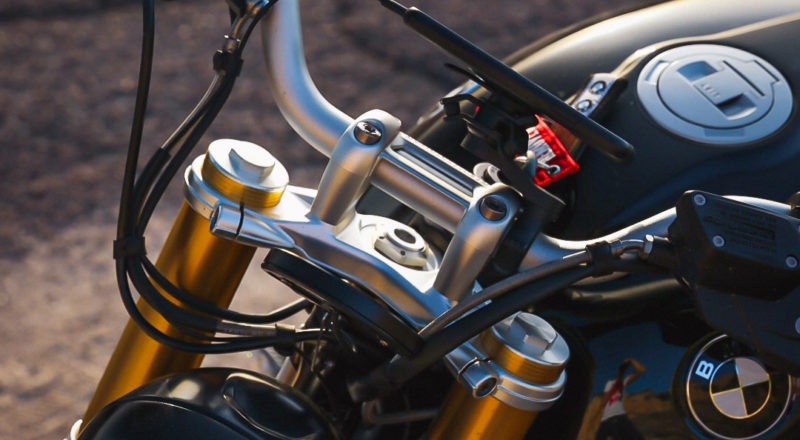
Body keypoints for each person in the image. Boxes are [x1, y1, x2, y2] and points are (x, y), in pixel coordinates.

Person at [594, 358, 646, 440]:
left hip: (620, 417)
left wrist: (631, 360)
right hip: (606, 421)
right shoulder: (610, 383)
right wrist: (616, 382)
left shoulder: (623, 382)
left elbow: (641, 370)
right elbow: (603, 402)